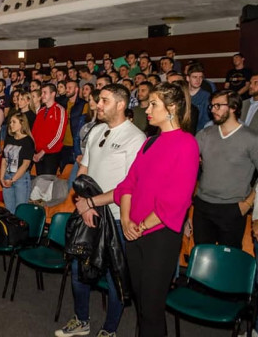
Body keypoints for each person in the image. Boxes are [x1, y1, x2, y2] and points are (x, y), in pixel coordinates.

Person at [80, 82, 199, 337]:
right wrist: (125, 220)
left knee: (152, 309)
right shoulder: (150, 143)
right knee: (143, 305)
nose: (147, 108)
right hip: (134, 232)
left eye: (154, 104)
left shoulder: (186, 144)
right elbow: (127, 185)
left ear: (172, 108)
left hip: (159, 235)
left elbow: (176, 200)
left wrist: (141, 225)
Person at [58, 85, 145, 337]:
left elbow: (126, 189)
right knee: (79, 270)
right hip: (89, 213)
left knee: (114, 276)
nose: (97, 104)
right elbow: (82, 172)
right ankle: (82, 320)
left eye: (104, 101)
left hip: (116, 219)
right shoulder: (96, 131)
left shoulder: (135, 138)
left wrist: (91, 203)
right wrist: (83, 203)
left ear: (121, 104)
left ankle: (109, 330)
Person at [192, 90, 258, 249]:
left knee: (228, 262)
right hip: (203, 206)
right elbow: (185, 160)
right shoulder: (205, 134)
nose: (213, 110)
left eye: (218, 106)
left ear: (233, 107)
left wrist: (248, 203)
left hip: (232, 208)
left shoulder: (251, 139)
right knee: (202, 258)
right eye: (211, 106)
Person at [0, 113, 35, 214]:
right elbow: (4, 160)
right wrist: (1, 177)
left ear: (22, 123)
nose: (11, 124)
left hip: (21, 178)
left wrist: (13, 179)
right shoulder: (9, 138)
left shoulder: (28, 141)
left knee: (21, 211)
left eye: (14, 122)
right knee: (9, 210)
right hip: (7, 176)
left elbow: (25, 164)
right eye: (10, 122)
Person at [32, 84, 68, 175]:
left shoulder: (60, 110)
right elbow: (34, 132)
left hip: (51, 153)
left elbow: (59, 136)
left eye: (45, 93)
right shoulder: (41, 111)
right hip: (37, 153)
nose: (42, 95)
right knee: (39, 182)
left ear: (53, 94)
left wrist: (44, 151)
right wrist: (33, 150)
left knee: (48, 183)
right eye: (41, 93)